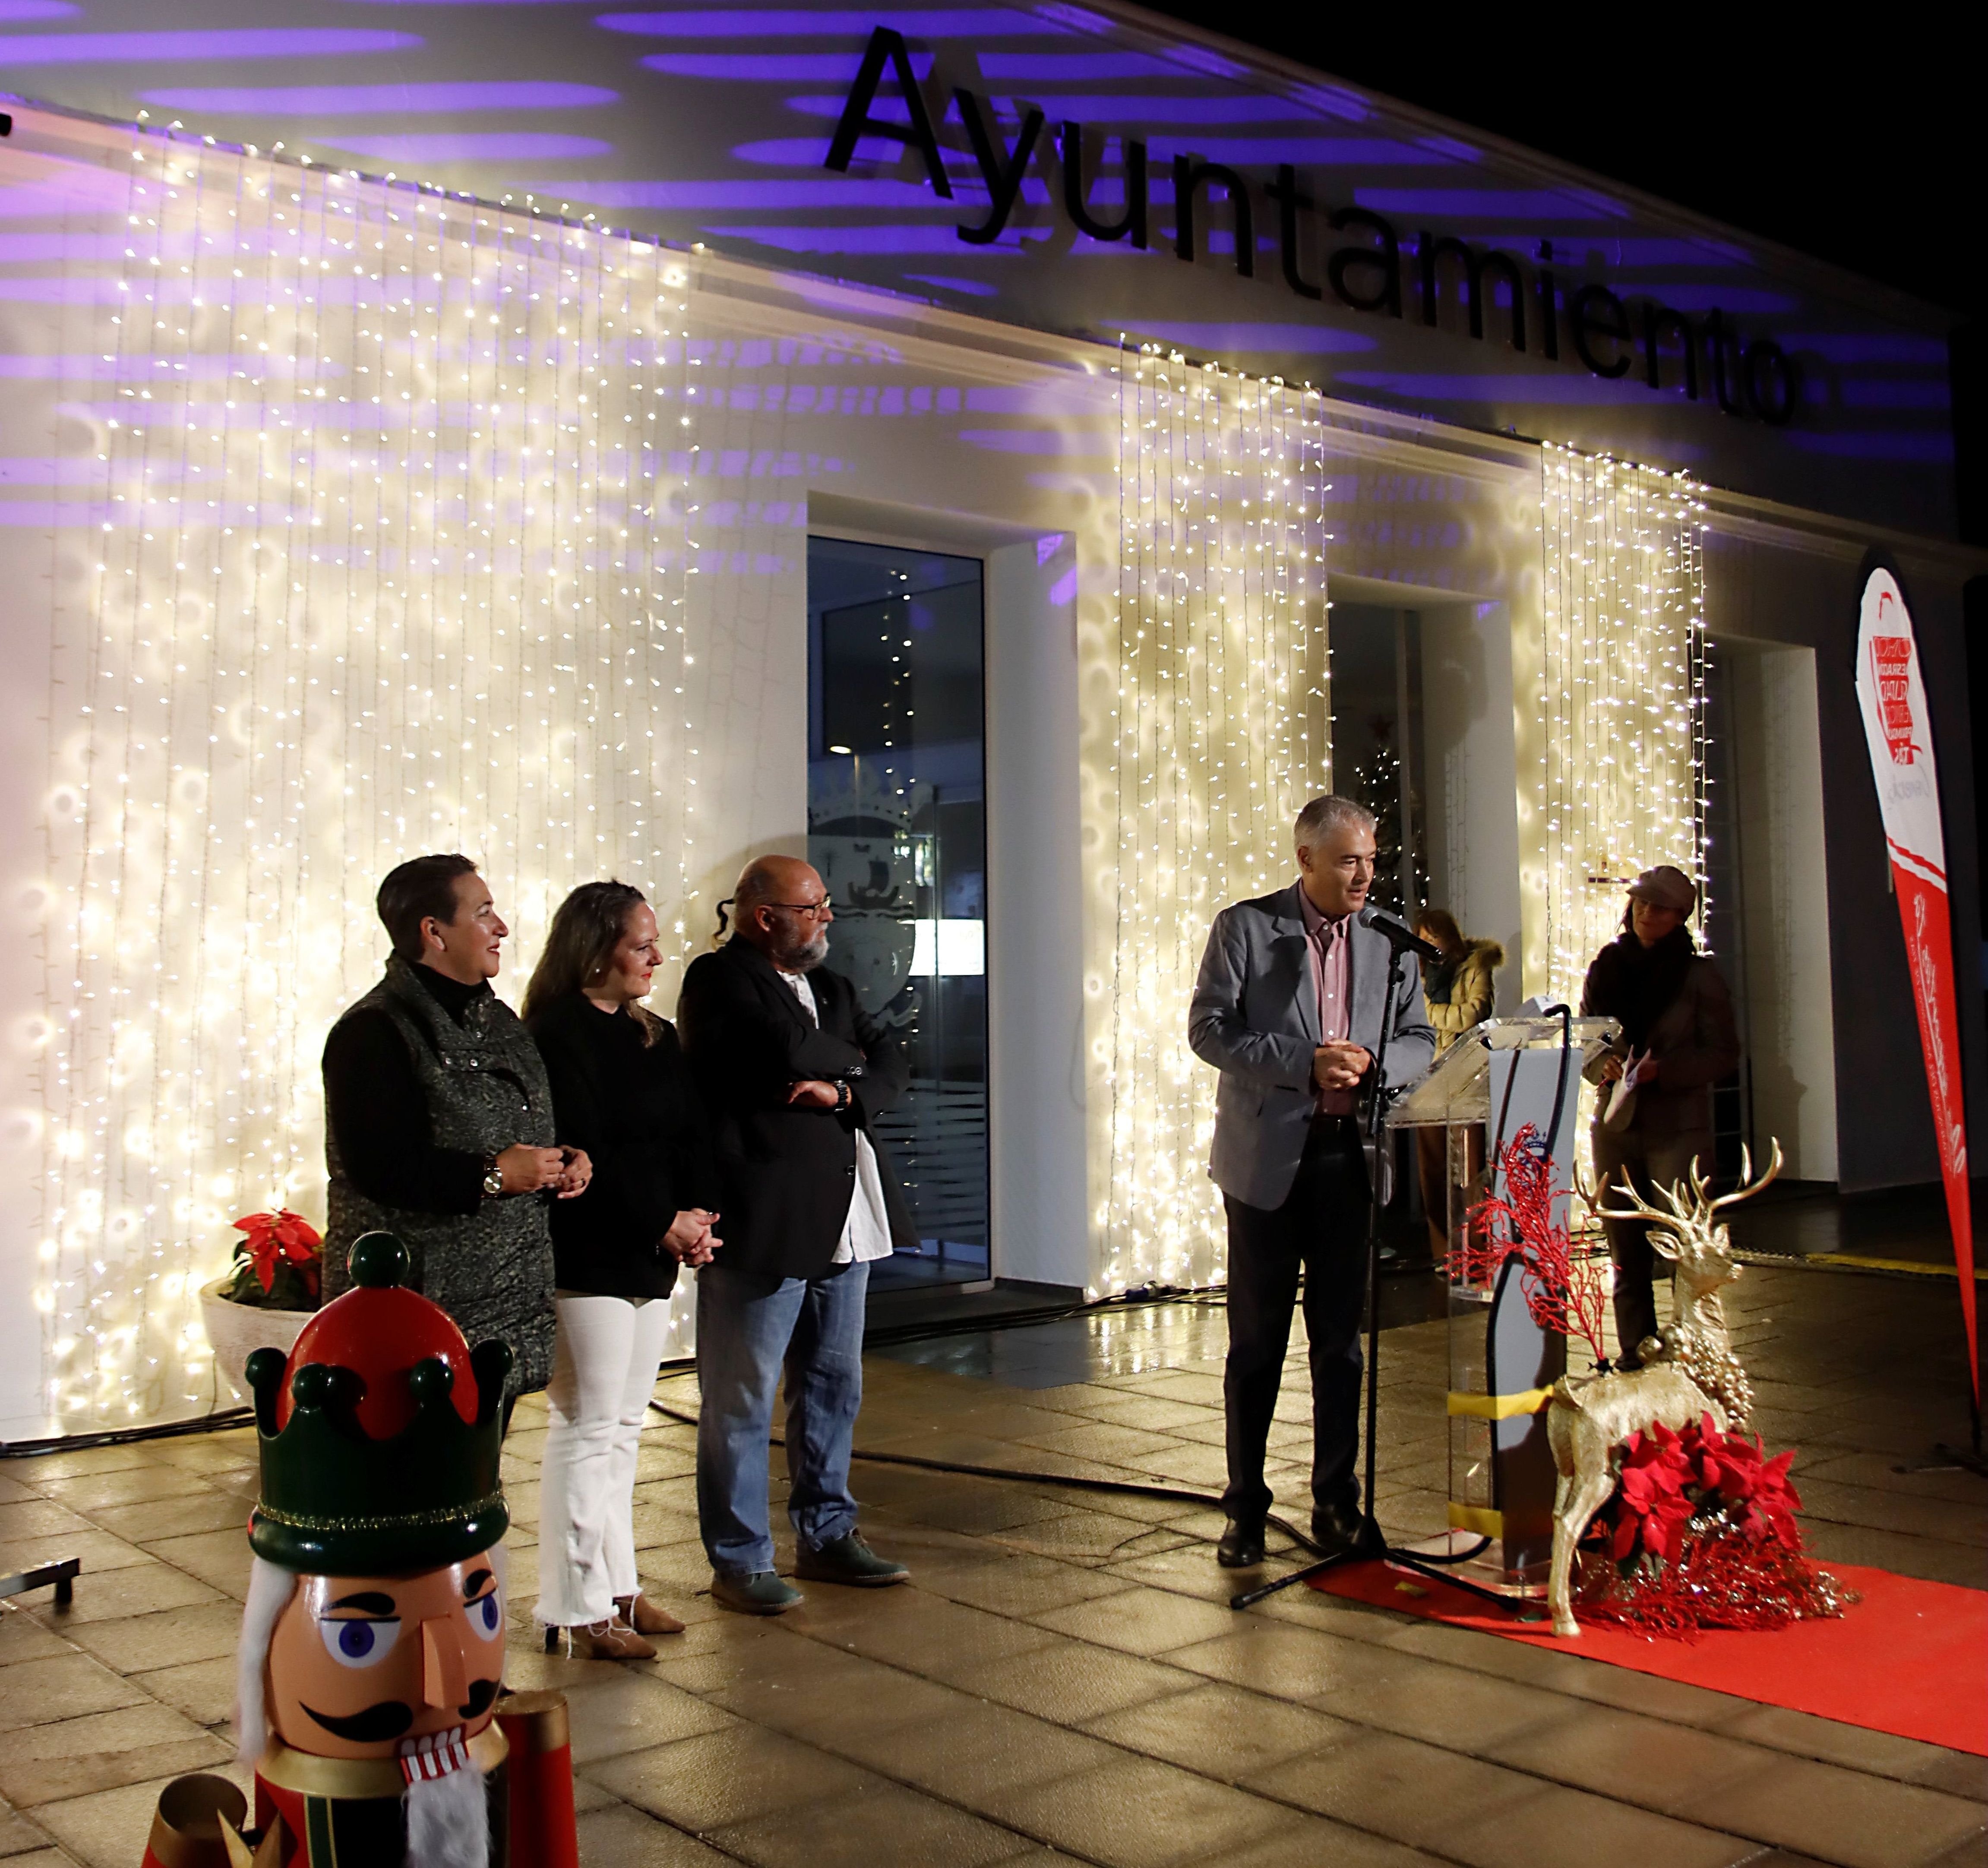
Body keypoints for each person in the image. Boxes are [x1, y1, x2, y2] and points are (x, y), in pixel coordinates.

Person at [1188, 794, 1436, 1570]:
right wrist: (1303, 1064)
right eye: (1348, 861)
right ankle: (1245, 1509)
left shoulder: (1393, 943)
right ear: (1306, 860)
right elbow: (1208, 1028)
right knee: (1256, 1345)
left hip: (1351, 1161)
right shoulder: (1248, 928)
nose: (1364, 875)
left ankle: (1336, 1501)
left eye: (1371, 859)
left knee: (1342, 1346)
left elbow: (1421, 1039)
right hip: (1265, 1167)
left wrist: (1374, 1066)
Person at [676, 854, 914, 1615]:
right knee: (740, 1399)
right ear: (761, 914)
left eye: (825, 903)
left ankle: (828, 1531)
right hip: (764, 1219)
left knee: (833, 1386)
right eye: (811, 907)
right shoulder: (718, 981)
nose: (827, 919)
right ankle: (741, 1558)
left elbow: (896, 1061)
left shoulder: (836, 987)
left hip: (844, 1219)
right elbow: (778, 1051)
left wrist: (840, 1088)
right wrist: (850, 1062)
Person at [523, 881, 722, 1660]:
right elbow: (583, 1149)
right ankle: (574, 1604)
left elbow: (688, 1136)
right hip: (591, 1250)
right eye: (643, 944)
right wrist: (662, 1220)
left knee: (627, 1428)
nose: (657, 957)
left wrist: (699, 1216)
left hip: (653, 1250)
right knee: (587, 1426)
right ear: (596, 946)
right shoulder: (553, 1035)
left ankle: (619, 1586)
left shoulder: (655, 1035)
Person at [321, 855, 588, 1411]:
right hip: (420, 1312)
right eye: (484, 912)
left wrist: (560, 1160)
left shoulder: (501, 1022)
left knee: (476, 1482)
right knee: (410, 1487)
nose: (502, 928)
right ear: (434, 932)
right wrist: (491, 1176)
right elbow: (380, 1168)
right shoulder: (374, 1032)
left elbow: (511, 1130)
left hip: (505, 1304)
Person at [1579, 864, 1740, 1364]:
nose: (1648, 913)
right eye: (1643, 904)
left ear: (1681, 916)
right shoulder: (1607, 965)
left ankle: (1695, 1352)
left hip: (1677, 1128)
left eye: (1661, 907)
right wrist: (1599, 1064)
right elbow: (1587, 1037)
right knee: (1625, 1248)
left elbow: (1724, 1053)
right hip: (1618, 1124)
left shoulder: (1697, 975)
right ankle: (1635, 1351)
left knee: (1683, 1247)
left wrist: (1664, 1070)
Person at [1410, 907, 1503, 1266]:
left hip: (1466, 1074)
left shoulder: (1475, 965)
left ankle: (1478, 1249)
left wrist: (1427, 1012)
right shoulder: (1413, 973)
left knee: (1470, 1166)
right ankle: (1443, 1252)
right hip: (1426, 1076)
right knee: (1432, 1166)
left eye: (1436, 937)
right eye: (1424, 938)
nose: (1431, 945)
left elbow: (1472, 1015)